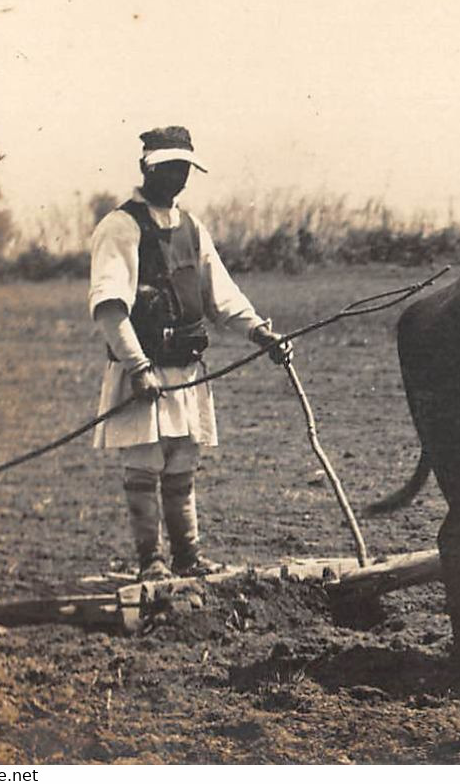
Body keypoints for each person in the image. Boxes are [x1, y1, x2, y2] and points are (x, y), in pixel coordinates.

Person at [89, 126, 291, 580]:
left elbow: (221, 295)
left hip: (186, 369)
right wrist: (137, 366)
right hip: (142, 372)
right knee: (143, 464)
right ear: (147, 167)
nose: (178, 177)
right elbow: (109, 307)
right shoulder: (121, 227)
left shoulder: (191, 227)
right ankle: (152, 564)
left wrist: (261, 334)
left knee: (182, 465)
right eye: (169, 167)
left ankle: (188, 558)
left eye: (185, 168)